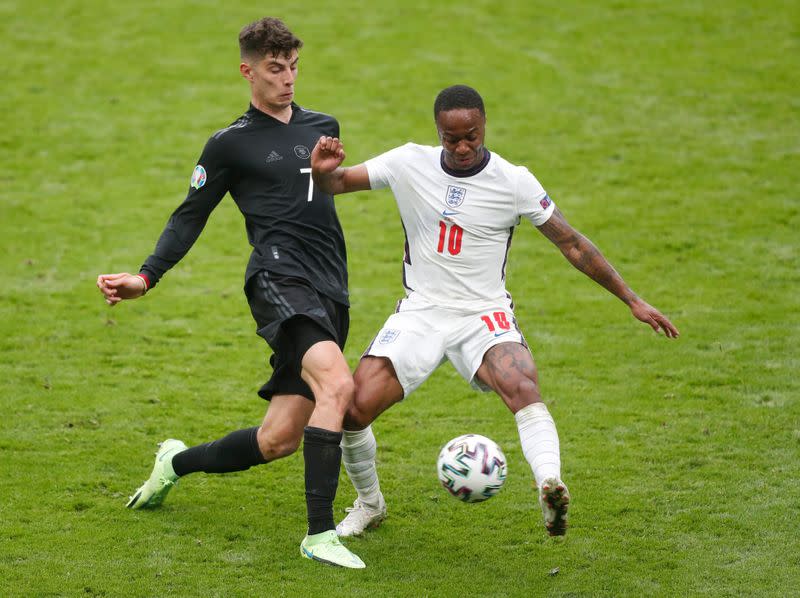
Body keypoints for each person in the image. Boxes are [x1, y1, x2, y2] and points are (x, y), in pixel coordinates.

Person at [310, 84, 679, 539]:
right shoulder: (408, 162)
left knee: (522, 385)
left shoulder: (513, 181)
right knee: (352, 411)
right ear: (438, 132)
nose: (463, 147)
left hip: (483, 314)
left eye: (472, 136)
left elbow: (572, 243)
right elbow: (338, 183)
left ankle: (550, 483)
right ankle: (370, 504)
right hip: (421, 312)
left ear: (484, 126)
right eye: (452, 138)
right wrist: (323, 172)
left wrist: (632, 299)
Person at [96, 17, 365, 569]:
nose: (287, 79)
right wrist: (146, 277)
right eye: (274, 69)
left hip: (330, 285)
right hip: (276, 278)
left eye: (293, 67)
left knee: (279, 440)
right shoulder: (229, 145)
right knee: (338, 383)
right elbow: (189, 215)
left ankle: (175, 464)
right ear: (248, 71)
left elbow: (320, 196)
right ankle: (320, 534)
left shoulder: (323, 126)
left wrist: (326, 175)